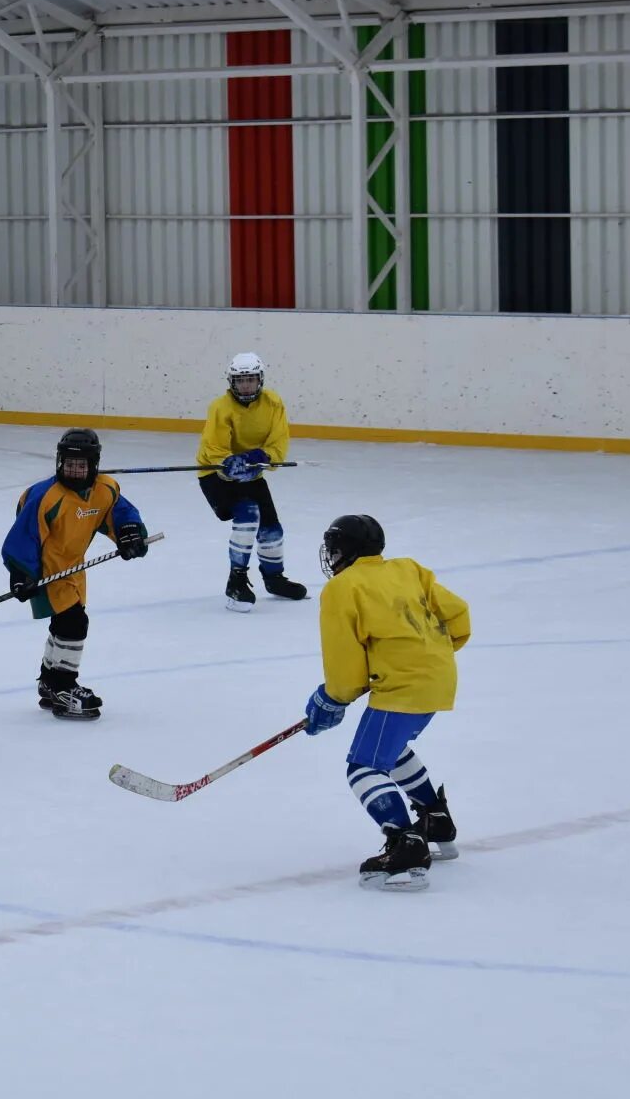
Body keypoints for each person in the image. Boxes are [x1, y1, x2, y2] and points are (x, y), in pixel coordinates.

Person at [301, 515, 467, 892]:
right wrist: (425, 658)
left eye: (334, 547)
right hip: (439, 677)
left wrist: (331, 699)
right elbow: (458, 616)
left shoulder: (342, 588)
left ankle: (407, 846)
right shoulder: (409, 569)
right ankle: (435, 819)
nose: (330, 555)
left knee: (363, 768)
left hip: (403, 688)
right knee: (391, 752)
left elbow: (345, 668)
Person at [1, 427, 149, 720]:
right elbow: (24, 535)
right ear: (59, 462)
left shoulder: (105, 489)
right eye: (69, 464)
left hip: (74, 569)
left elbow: (120, 513)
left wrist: (129, 534)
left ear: (94, 465)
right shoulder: (47, 496)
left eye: (82, 465)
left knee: (63, 624)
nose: (75, 470)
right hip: (45, 569)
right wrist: (20, 573)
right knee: (74, 623)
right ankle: (63, 687)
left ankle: (48, 681)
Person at [197, 351, 307, 612]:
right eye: (240, 380)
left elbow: (279, 442)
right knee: (247, 517)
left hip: (252, 472)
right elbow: (214, 446)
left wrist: (264, 455)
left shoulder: (273, 403)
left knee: (272, 530)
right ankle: (235, 582)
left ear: (260, 380)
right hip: (214, 474)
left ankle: (274, 579)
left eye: (251, 379)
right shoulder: (220, 407)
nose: (246, 385)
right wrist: (229, 463)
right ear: (231, 382)